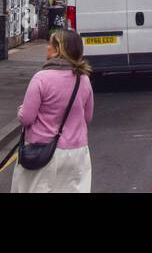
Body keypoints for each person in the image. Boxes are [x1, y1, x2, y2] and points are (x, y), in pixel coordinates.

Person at [12, 29, 94, 193]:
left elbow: (27, 118)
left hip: (43, 152)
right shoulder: (83, 79)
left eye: (50, 44)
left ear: (58, 50)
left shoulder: (41, 78)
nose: (47, 47)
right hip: (77, 153)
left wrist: (21, 109)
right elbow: (87, 117)